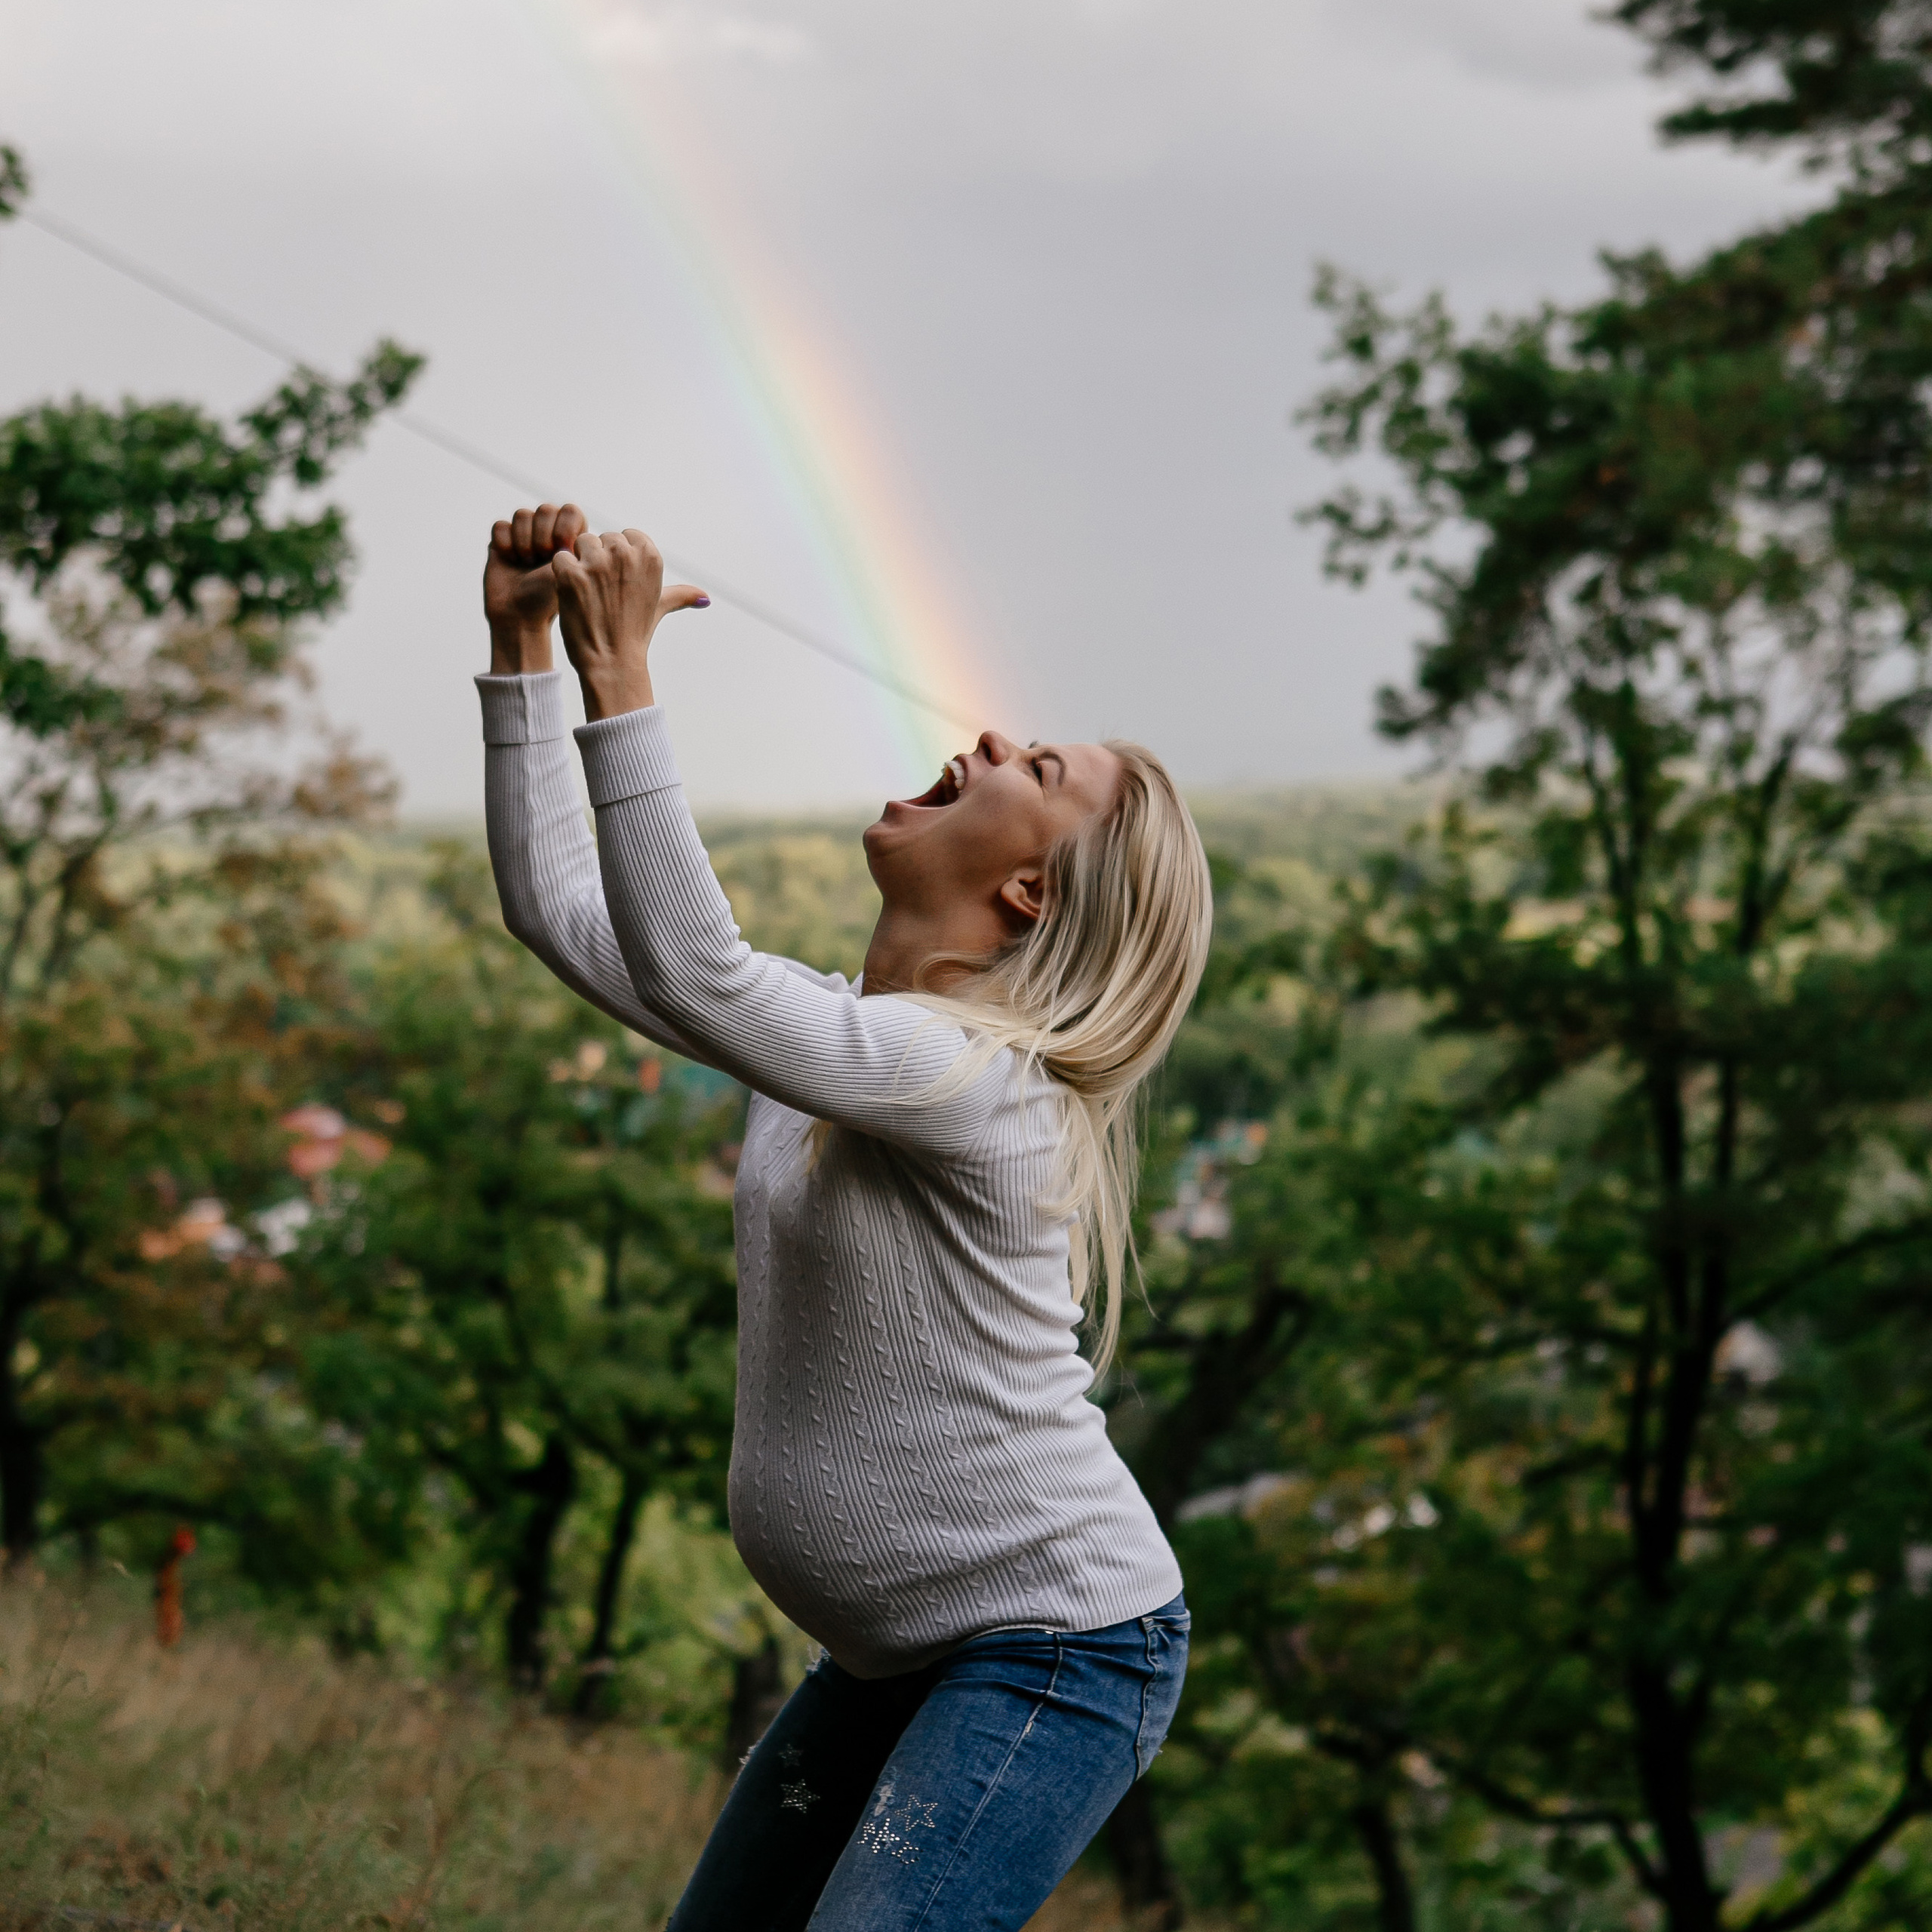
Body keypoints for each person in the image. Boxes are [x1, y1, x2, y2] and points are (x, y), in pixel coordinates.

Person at [478, 503, 1211, 1930]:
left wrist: (621, 681)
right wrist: (521, 661)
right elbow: (561, 908)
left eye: (1036, 767)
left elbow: (696, 976)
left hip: (1056, 1655)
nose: (991, 739)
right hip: (893, 1653)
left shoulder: (977, 1084)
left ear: (1029, 888)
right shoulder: (835, 1036)